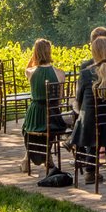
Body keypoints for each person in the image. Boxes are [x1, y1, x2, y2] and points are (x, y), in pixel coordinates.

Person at [21, 39, 69, 171]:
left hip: (35, 115)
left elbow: (27, 67)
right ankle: (48, 156)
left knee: (26, 128)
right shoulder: (60, 73)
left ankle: (28, 158)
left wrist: (34, 57)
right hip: (53, 115)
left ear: (35, 53)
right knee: (50, 128)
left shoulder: (30, 72)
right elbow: (60, 98)